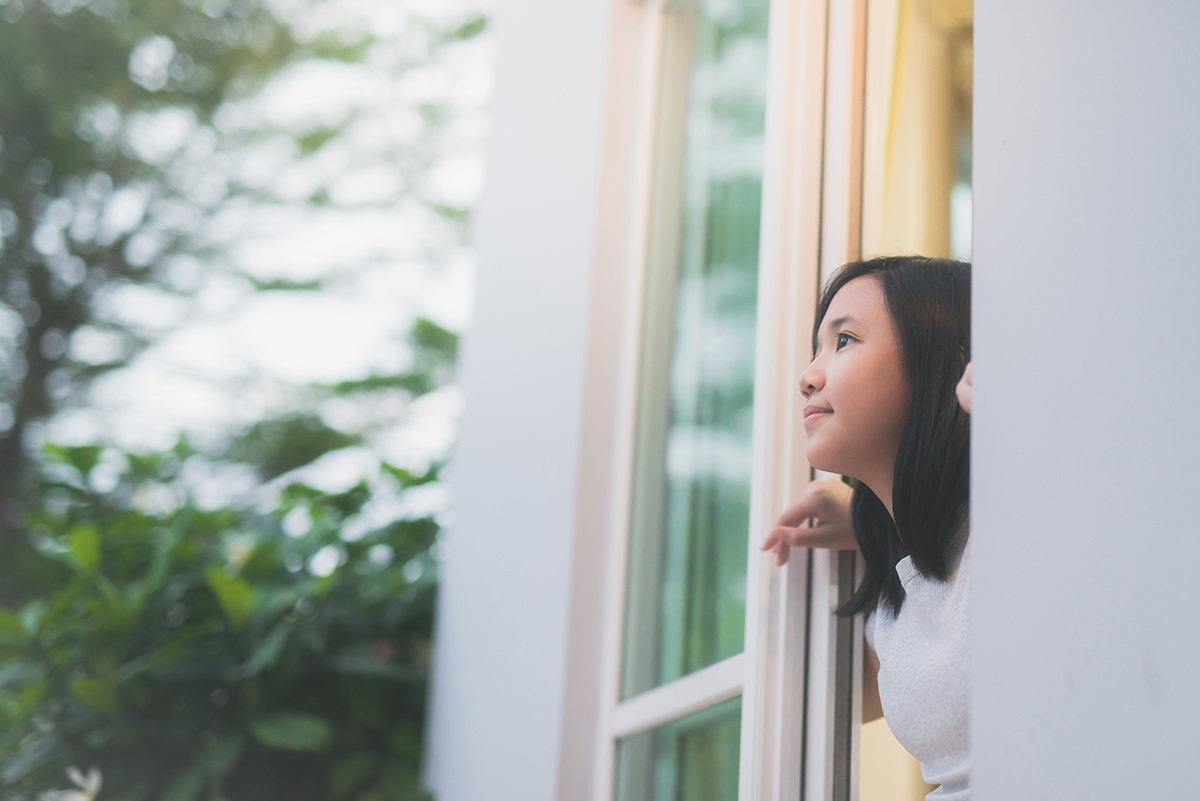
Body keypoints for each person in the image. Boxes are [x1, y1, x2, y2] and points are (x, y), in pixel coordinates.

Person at [759, 256, 973, 800]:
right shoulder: (898, 594)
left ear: (944, 364)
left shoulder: (1024, 520)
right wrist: (867, 519)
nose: (808, 375)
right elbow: (816, 715)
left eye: (845, 340)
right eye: (817, 348)